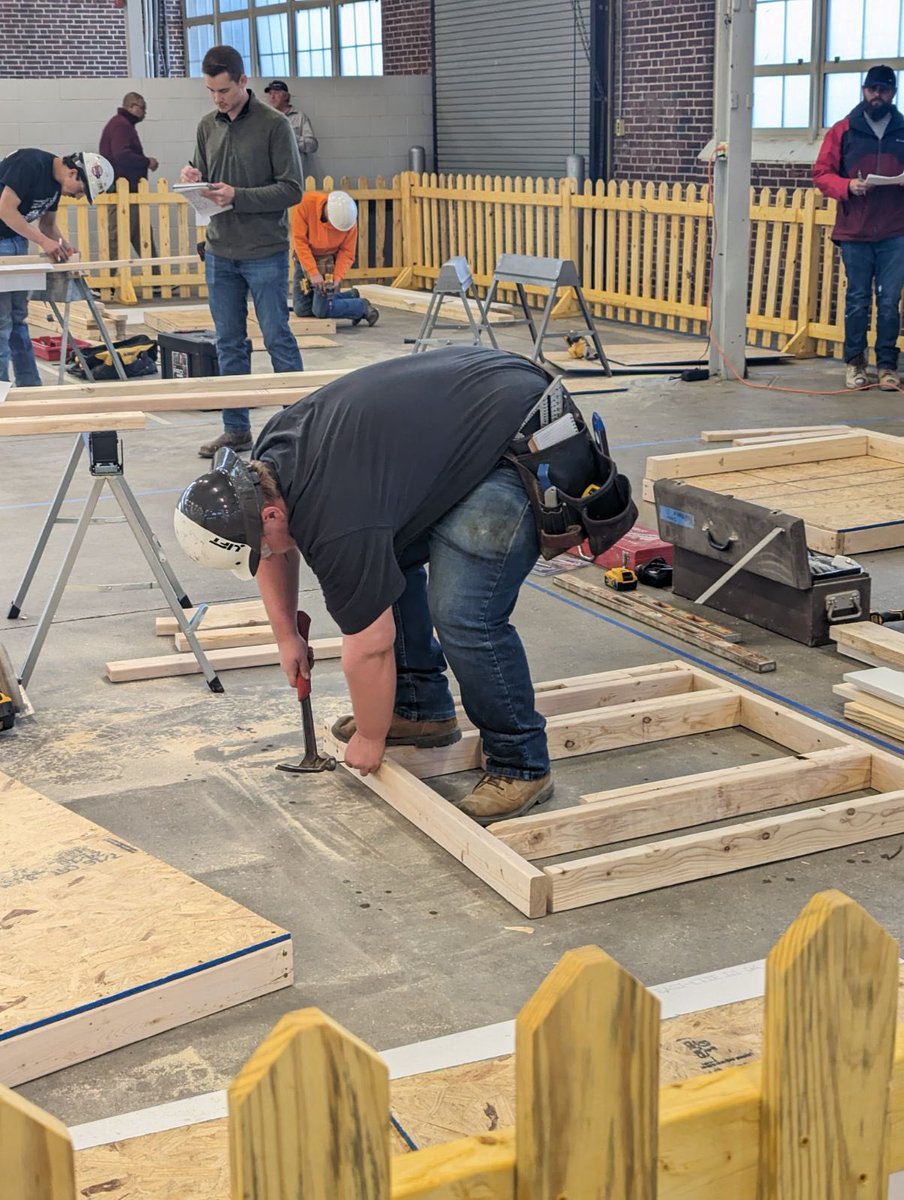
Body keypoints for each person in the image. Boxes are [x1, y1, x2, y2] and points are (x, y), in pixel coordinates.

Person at [174, 346, 555, 824]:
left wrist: (371, 737)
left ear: (268, 513)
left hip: (525, 432)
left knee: (463, 612)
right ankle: (419, 710)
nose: (264, 557)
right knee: (388, 557)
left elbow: (370, 645)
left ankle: (521, 763)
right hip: (482, 403)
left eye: (258, 548)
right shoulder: (268, 464)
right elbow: (274, 548)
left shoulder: (337, 521)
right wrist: (286, 634)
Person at [181, 45, 304, 459]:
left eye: (224, 90)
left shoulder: (275, 125)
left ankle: (298, 428)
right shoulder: (206, 126)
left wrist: (238, 196)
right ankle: (236, 430)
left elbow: (292, 189)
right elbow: (206, 178)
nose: (218, 99)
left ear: (243, 81)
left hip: (264, 250)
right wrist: (193, 178)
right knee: (229, 343)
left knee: (277, 338)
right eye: (211, 91)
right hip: (219, 251)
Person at [814, 64, 904, 391]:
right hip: (855, 229)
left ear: (893, 92)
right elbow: (822, 174)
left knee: (890, 300)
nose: (877, 95)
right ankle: (855, 363)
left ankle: (887, 367)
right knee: (857, 299)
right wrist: (847, 186)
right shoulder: (843, 130)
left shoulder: (903, 129)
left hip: (896, 229)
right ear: (863, 91)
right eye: (871, 89)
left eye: (883, 89)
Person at [0, 148, 113, 388]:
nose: (79, 197)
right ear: (73, 173)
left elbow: (48, 225)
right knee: (2, 322)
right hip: (4, 243)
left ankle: (29, 386)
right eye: (81, 191)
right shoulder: (29, 163)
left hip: (15, 241)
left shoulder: (55, 184)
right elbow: (6, 210)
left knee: (18, 319)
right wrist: (43, 242)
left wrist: (65, 247)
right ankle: (1, 391)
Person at [292, 190, 379, 326]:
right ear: (327, 212)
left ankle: (361, 307)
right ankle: (350, 296)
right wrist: (313, 272)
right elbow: (300, 242)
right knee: (302, 309)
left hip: (328, 264)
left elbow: (347, 252)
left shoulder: (348, 221)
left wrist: (337, 277)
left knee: (321, 310)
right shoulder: (305, 204)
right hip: (305, 260)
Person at [99, 93, 159, 258]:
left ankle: (155, 275)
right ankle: (109, 279)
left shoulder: (120, 124)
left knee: (141, 233)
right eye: (143, 108)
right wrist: (147, 162)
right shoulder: (121, 126)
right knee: (120, 235)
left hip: (128, 191)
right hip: (123, 191)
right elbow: (122, 155)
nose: (145, 113)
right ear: (132, 107)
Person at [263, 81, 319, 170]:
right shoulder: (264, 119)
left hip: (294, 174)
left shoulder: (300, 117)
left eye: (276, 93)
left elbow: (312, 146)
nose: (272, 97)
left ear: (286, 96)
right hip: (270, 175)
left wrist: (290, 137)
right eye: (270, 93)